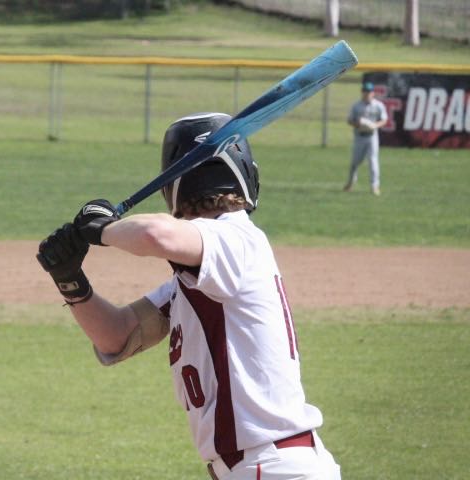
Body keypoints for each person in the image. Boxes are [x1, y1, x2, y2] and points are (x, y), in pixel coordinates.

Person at [37, 113, 341, 479]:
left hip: (273, 467)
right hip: (258, 467)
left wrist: (104, 230)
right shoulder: (197, 280)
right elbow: (116, 335)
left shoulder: (236, 239)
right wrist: (70, 280)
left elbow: (157, 236)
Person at [344, 81, 388, 196]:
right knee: (355, 162)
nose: (367, 93)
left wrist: (374, 125)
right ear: (362, 92)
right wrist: (358, 124)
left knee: (373, 161)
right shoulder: (356, 105)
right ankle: (351, 182)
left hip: (372, 136)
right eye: (365, 91)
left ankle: (375, 186)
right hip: (359, 137)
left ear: (373, 93)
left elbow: (384, 120)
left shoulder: (378, 105)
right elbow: (349, 120)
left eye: (369, 91)